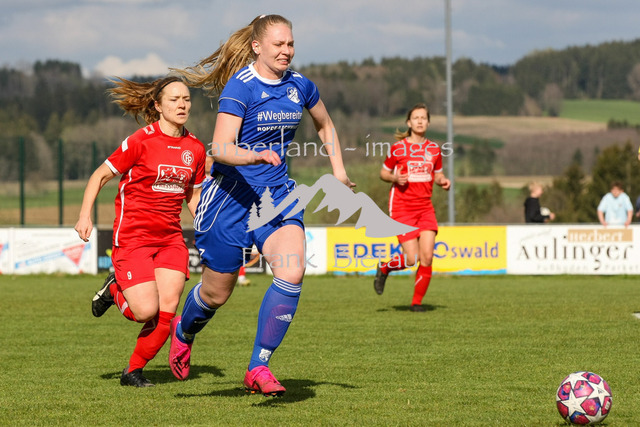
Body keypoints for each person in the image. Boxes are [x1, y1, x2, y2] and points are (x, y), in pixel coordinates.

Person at [168, 14, 354, 396]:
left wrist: (338, 170)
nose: (287, 51)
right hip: (231, 199)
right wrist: (254, 156)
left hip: (277, 196)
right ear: (257, 46)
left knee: (292, 270)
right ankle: (183, 331)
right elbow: (221, 147)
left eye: (290, 44)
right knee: (216, 294)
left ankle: (258, 366)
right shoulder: (241, 87)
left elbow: (325, 124)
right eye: (278, 44)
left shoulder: (300, 85)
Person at [74, 76, 207, 387]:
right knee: (145, 311)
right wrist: (84, 215)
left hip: (171, 238)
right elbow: (99, 176)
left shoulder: (196, 148)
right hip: (133, 236)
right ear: (158, 106)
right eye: (174, 99)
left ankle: (132, 372)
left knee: (167, 312)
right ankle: (113, 290)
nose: (182, 104)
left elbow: (194, 196)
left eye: (186, 99)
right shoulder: (141, 141)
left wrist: (209, 227)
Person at [372, 103, 450, 312]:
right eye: (416, 118)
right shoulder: (398, 148)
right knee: (411, 258)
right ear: (409, 122)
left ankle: (416, 303)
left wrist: (442, 181)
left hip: (425, 208)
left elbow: (438, 174)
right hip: (402, 208)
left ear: (428, 122)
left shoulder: (434, 149)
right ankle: (385, 268)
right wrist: (395, 178)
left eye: (424, 118)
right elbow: (383, 173)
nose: (420, 121)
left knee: (427, 257)